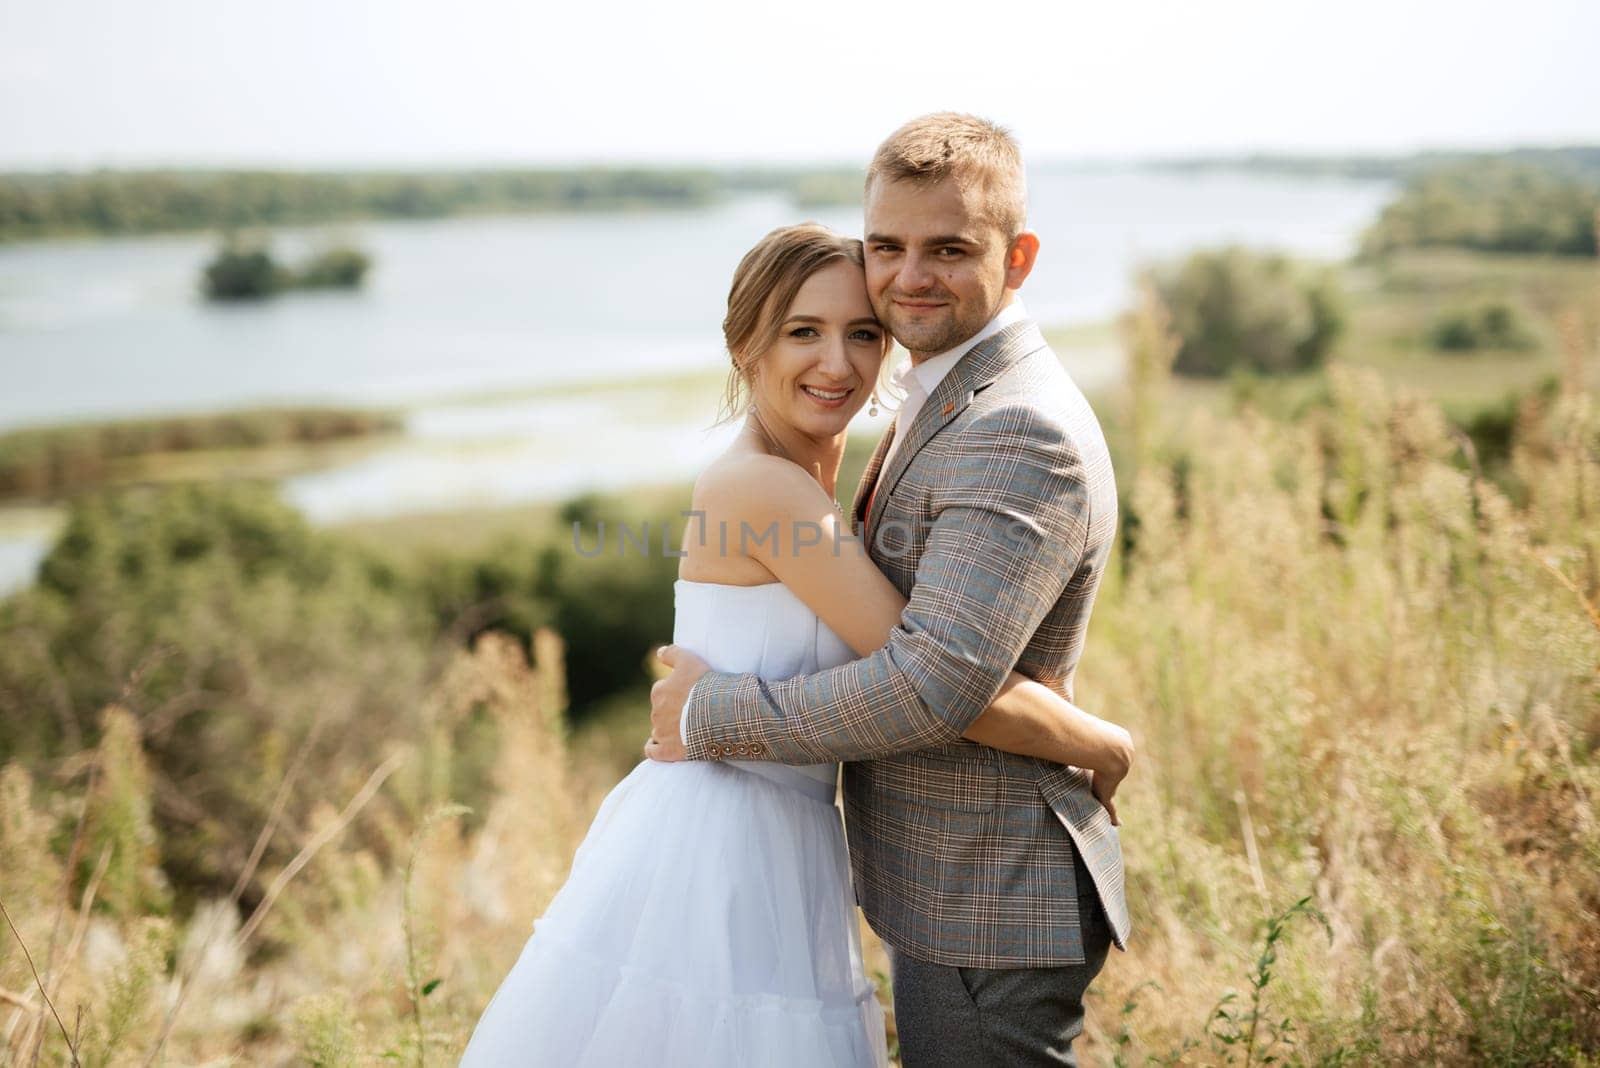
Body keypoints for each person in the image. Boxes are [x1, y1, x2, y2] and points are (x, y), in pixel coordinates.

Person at [461, 221, 1133, 1066]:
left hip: (782, 826)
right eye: (802, 333)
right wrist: (1098, 741)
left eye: (862, 334)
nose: (839, 364)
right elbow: (935, 681)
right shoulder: (767, 490)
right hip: (726, 840)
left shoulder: (822, 465)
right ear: (745, 346)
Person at [649, 114, 1129, 1066]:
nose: (910, 275)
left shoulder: (1013, 430)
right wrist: (1093, 736)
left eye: (948, 249)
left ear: (1018, 256)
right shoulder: (940, 395)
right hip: (931, 879)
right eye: (888, 247)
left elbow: (928, 684)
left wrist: (709, 716)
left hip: (987, 887)